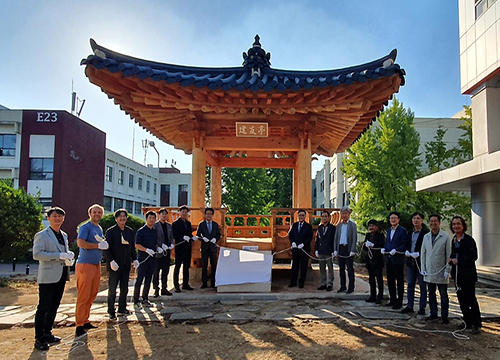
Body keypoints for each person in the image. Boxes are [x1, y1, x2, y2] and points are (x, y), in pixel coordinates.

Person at [32, 207, 73, 351]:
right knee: (43, 307)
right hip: (48, 276)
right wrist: (57, 255)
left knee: (54, 305)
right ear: (48, 218)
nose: (58, 219)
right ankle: (39, 338)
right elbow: (37, 254)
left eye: (60, 217)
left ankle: (48, 332)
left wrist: (68, 256)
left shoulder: (64, 235)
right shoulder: (42, 235)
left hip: (61, 274)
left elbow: (63, 252)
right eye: (55, 216)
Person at [75, 204, 109, 336]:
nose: (97, 214)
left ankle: (85, 320)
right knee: (83, 295)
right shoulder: (86, 227)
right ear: (90, 213)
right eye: (94, 212)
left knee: (92, 294)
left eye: (99, 212)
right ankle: (79, 324)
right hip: (85, 264)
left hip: (95, 264)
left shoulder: (99, 228)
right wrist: (97, 245)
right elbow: (80, 243)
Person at [448, 216, 482, 334]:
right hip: (458, 275)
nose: (456, 226)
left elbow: (473, 256)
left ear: (463, 226)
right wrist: (451, 259)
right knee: (461, 299)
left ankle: (477, 323)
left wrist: (460, 261)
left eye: (458, 224)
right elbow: (454, 253)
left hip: (468, 275)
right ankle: (467, 321)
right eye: (454, 224)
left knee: (471, 299)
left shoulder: (469, 240)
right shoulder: (454, 240)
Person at [105, 209, 139, 320]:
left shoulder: (129, 231)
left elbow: (132, 247)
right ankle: (111, 310)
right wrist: (111, 261)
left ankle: (122, 308)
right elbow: (107, 248)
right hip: (115, 264)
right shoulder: (111, 231)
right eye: (120, 216)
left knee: (124, 288)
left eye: (124, 216)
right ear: (116, 219)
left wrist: (134, 259)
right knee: (113, 288)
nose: (122, 218)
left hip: (125, 264)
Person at [421, 214, 451, 324]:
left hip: (441, 270)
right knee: (431, 292)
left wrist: (447, 270)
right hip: (429, 270)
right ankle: (433, 313)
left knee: (443, 294)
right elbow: (423, 253)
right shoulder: (426, 237)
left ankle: (444, 316)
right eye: (431, 221)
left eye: (435, 221)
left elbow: (449, 254)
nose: (433, 223)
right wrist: (423, 268)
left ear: (439, 223)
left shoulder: (445, 237)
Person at [402, 212, 429, 315]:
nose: (416, 220)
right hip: (411, 262)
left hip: (421, 263)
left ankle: (422, 307)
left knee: (422, 285)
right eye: (414, 218)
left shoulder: (426, 233)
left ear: (422, 220)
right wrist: (407, 252)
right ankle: (410, 305)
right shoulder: (410, 232)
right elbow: (406, 244)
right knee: (410, 284)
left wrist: (420, 254)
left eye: (418, 218)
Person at [382, 211, 408, 309]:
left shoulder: (402, 230)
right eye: (391, 218)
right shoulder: (388, 231)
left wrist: (397, 250)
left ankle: (399, 301)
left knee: (399, 281)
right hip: (389, 258)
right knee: (390, 280)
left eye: (395, 218)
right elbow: (388, 243)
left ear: (398, 219)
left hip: (398, 259)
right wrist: (384, 248)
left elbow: (405, 244)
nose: (393, 220)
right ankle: (392, 299)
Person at [133, 211, 159, 307]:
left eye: (153, 218)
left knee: (148, 279)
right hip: (143, 259)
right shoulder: (141, 231)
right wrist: (146, 250)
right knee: (140, 279)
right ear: (146, 219)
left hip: (152, 259)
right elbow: (137, 245)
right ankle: (136, 300)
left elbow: (154, 243)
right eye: (150, 218)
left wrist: (157, 248)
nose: (152, 220)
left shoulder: (154, 231)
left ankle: (145, 298)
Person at [333, 206, 358, 294]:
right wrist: (335, 249)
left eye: (345, 214)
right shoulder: (339, 225)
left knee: (350, 269)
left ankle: (351, 287)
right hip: (340, 248)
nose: (344, 215)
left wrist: (353, 250)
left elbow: (354, 238)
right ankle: (342, 286)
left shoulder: (352, 225)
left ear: (348, 214)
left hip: (348, 248)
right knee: (341, 269)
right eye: (342, 214)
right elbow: (336, 238)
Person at [172, 206, 196, 292]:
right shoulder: (175, 223)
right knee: (177, 266)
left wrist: (192, 237)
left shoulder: (188, 223)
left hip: (187, 247)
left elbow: (189, 234)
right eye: (182, 212)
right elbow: (174, 235)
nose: (184, 213)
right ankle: (176, 285)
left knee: (186, 267)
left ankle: (185, 284)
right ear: (180, 212)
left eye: (186, 212)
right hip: (179, 247)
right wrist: (182, 237)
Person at [196, 208, 222, 289]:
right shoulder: (201, 224)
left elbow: (219, 235)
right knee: (204, 266)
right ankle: (204, 283)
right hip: (204, 247)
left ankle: (213, 282)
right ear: (205, 214)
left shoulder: (215, 224)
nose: (209, 215)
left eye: (210, 213)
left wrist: (215, 239)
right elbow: (198, 235)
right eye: (207, 213)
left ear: (213, 215)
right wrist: (203, 238)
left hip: (213, 248)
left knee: (213, 265)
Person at [288, 209, 313, 288]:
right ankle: (293, 282)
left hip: (304, 249)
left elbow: (309, 237)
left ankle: (301, 283)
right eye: (300, 215)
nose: (301, 217)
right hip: (295, 249)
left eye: (303, 215)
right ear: (298, 216)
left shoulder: (308, 226)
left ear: (305, 216)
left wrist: (303, 244)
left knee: (303, 266)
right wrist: (292, 242)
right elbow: (290, 235)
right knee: (294, 266)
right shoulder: (294, 225)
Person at [153, 208, 174, 297]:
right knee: (156, 271)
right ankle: (156, 289)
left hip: (167, 251)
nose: (164, 215)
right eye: (162, 214)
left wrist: (172, 244)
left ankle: (164, 288)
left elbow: (172, 237)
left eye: (165, 214)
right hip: (158, 251)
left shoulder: (169, 226)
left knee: (166, 271)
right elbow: (154, 238)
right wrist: (160, 245)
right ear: (159, 215)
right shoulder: (155, 225)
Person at [363, 219, 385, 304]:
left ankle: (380, 296)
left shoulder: (380, 235)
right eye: (370, 226)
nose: (371, 227)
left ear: (376, 227)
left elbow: (381, 245)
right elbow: (364, 247)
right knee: (371, 279)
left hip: (377, 260)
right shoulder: (368, 235)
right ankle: (372, 295)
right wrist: (366, 245)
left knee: (379, 278)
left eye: (372, 226)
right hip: (369, 260)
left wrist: (373, 245)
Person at [314, 210, 336, 291]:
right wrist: (316, 249)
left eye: (325, 216)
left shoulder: (332, 228)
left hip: (329, 251)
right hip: (321, 251)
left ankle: (330, 284)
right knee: (321, 268)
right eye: (322, 216)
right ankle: (323, 283)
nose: (324, 218)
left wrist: (334, 250)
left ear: (329, 217)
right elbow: (317, 240)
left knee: (330, 268)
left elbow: (334, 240)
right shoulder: (319, 228)